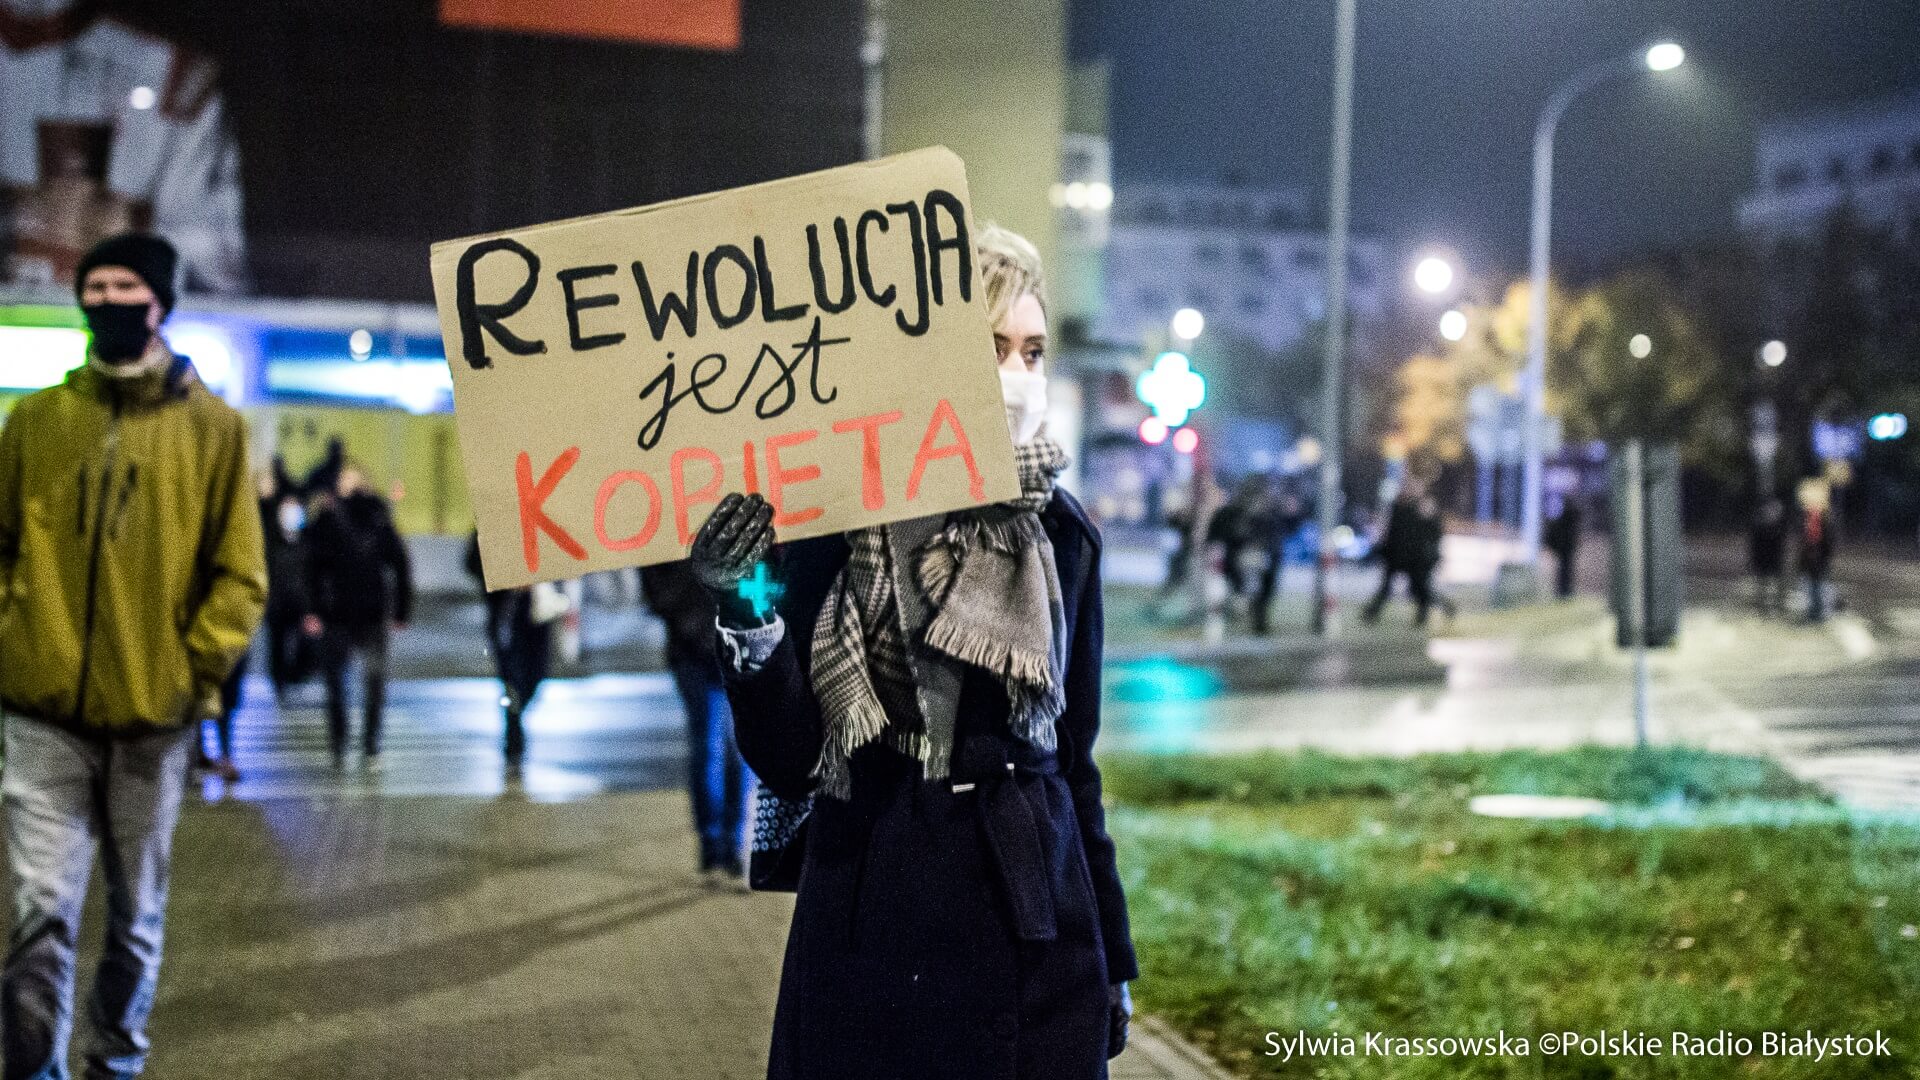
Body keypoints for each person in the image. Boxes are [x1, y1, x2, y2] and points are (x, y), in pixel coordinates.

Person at [691, 225, 1135, 1079]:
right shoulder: (841, 517)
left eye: (1033, 351)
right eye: (992, 348)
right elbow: (790, 756)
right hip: (878, 925)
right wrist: (744, 600)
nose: (1018, 376)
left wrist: (1112, 956)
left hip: (1039, 936)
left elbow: (1075, 765)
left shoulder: (1060, 536)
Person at [0, 232, 267, 1079]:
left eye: (126, 288)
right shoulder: (35, 421)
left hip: (154, 721)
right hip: (41, 714)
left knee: (135, 918)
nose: (108, 302)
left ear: (160, 305)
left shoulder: (214, 430)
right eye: (96, 287)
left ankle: (114, 1063)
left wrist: (191, 673)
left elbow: (241, 574)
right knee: (40, 907)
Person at [641, 560, 754, 885]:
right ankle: (714, 849)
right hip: (692, 650)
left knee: (738, 746)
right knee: (709, 745)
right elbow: (654, 582)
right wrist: (689, 621)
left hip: (735, 644)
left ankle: (735, 846)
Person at [304, 462, 412, 769]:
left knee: (374, 681)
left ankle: (371, 743)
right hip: (336, 612)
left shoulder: (377, 516)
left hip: (371, 611)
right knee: (335, 683)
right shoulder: (327, 518)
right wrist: (312, 609)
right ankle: (339, 742)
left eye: (353, 479)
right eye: (344, 479)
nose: (348, 484)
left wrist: (401, 609)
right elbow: (312, 568)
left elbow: (399, 562)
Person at [466, 534, 556, 769]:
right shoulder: (490, 524)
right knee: (511, 676)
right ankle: (513, 733)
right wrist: (505, 578)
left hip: (536, 612)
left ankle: (516, 718)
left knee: (536, 673)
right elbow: (473, 562)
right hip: (505, 611)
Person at [1361, 480, 1431, 626]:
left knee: (1418, 587)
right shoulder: (1396, 507)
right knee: (1386, 587)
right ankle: (1372, 612)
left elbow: (1427, 532)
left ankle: (1426, 614)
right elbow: (1390, 530)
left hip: (1413, 557)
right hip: (1395, 555)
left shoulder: (1420, 508)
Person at [1798, 483, 1836, 623]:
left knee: (1817, 586)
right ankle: (1816, 612)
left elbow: (1817, 539)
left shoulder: (1818, 517)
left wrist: (1815, 554)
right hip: (1814, 558)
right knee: (1814, 586)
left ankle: (1818, 613)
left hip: (1817, 558)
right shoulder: (1813, 517)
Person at [1748, 497, 1790, 615]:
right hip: (1762, 558)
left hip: (1775, 558)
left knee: (1781, 583)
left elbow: (1782, 545)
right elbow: (1754, 545)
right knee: (1762, 584)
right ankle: (1761, 607)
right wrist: (1754, 560)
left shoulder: (1780, 527)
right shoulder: (1758, 526)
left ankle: (1780, 606)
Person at [1543, 498, 1583, 599]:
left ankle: (1563, 591)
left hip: (1564, 548)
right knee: (1564, 570)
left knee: (1564, 570)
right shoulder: (1568, 520)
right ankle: (1564, 591)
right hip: (1565, 548)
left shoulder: (1564, 519)